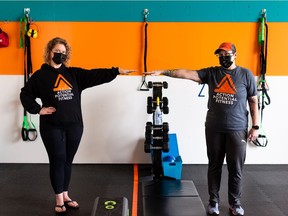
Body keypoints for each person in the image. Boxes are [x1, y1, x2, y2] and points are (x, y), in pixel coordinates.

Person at [20, 37, 134, 214]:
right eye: (57, 51)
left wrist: (116, 71)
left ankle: (65, 194)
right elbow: (25, 94)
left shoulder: (73, 74)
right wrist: (38, 109)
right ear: (50, 52)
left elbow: (95, 75)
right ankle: (58, 200)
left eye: (63, 53)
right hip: (51, 127)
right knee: (57, 159)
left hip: (75, 126)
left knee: (67, 161)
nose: (60, 55)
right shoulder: (40, 76)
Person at [144, 42, 259, 216]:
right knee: (214, 166)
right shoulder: (212, 73)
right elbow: (186, 73)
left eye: (226, 54)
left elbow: (253, 101)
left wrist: (255, 126)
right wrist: (163, 72)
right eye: (220, 55)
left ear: (235, 55)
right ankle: (213, 202)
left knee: (236, 169)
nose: (223, 58)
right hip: (214, 128)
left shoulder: (245, 74)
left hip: (237, 128)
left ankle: (235, 203)